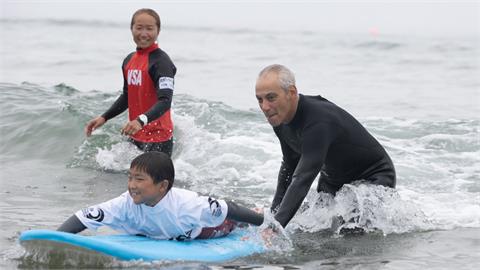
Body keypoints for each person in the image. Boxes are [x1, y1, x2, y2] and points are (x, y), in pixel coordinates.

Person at [255, 64, 396, 228]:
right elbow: (290, 166)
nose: (265, 106)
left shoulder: (318, 120)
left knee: (350, 234)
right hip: (333, 181)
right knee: (314, 229)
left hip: (373, 179)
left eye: (271, 98)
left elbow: (302, 178)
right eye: (260, 99)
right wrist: (273, 216)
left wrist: (275, 228)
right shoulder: (280, 117)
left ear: (291, 93)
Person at [58, 151, 264, 240]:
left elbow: (230, 208)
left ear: (162, 186)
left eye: (139, 179)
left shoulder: (187, 205)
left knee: (231, 223)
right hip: (160, 233)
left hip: (199, 231)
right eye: (130, 178)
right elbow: (83, 218)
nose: (131, 186)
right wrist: (54, 239)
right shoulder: (125, 203)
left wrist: (265, 223)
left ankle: (259, 212)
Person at [85, 8, 176, 156]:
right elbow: (127, 96)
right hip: (136, 134)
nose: (144, 33)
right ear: (131, 29)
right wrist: (104, 117)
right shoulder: (129, 61)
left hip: (158, 138)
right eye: (139, 28)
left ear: (158, 31)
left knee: (151, 179)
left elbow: (165, 101)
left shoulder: (161, 62)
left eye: (149, 28)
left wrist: (140, 120)